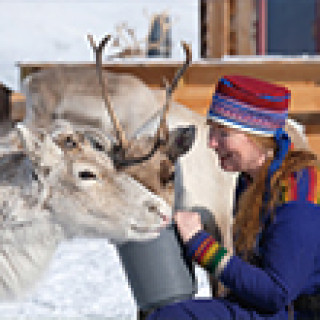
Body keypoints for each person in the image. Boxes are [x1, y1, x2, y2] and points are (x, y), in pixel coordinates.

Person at [147, 75, 320, 319]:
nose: (211, 143)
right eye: (212, 131)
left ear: (258, 138)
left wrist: (200, 244)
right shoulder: (252, 181)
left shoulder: (297, 193)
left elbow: (276, 293)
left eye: (223, 133)